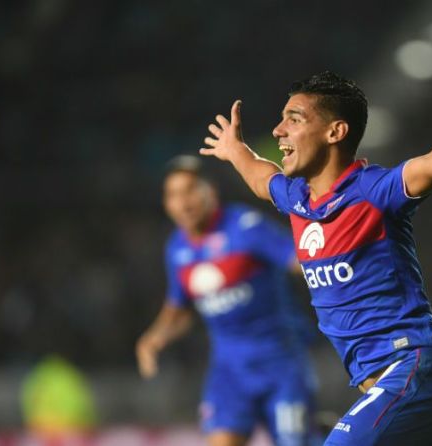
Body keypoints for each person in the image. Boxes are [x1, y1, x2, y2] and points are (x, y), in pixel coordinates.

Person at [199, 62, 432, 445]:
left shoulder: (373, 191)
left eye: (294, 119)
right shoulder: (298, 199)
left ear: (335, 131)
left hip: (415, 371)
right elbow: (261, 179)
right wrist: (235, 150)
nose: (278, 130)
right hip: (415, 386)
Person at [135, 155, 319, 446]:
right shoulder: (177, 248)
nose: (183, 202)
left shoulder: (246, 226)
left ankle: (318, 434)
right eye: (173, 195)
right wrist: (155, 338)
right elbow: (180, 309)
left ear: (211, 191)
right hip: (229, 372)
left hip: (280, 364)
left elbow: (300, 260)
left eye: (190, 190)